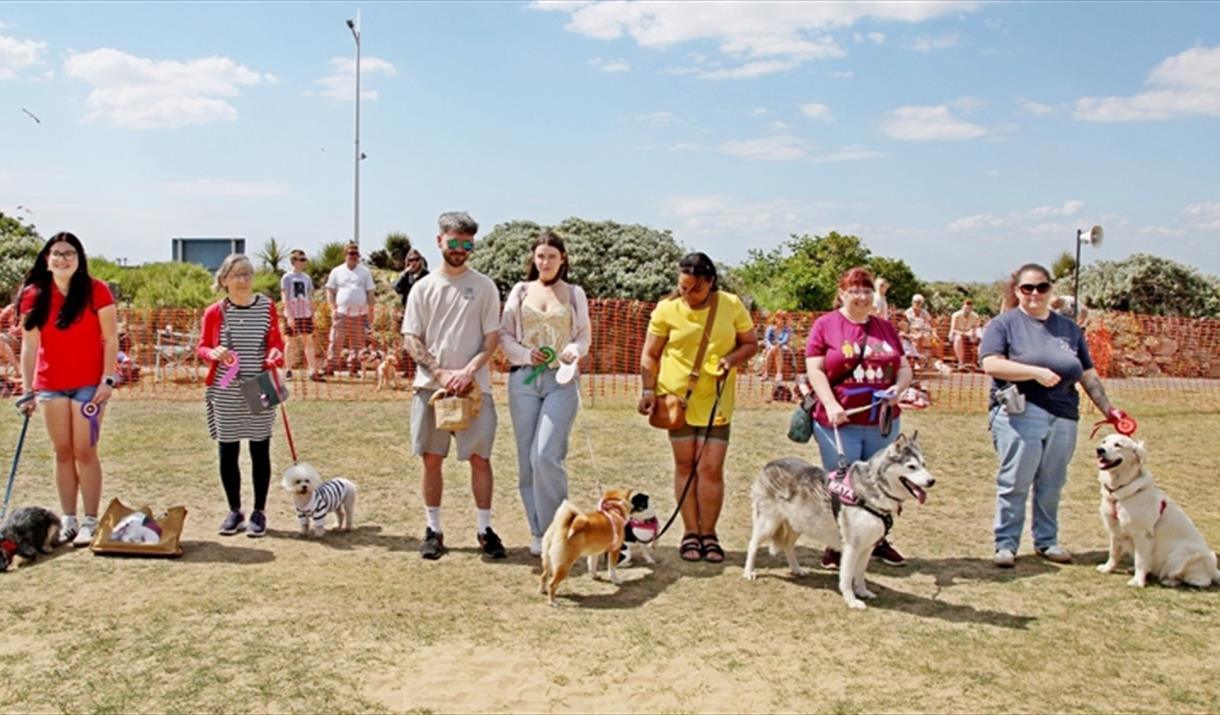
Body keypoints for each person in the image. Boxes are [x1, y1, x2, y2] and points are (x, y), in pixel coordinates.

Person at [981, 263, 1122, 568]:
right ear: (1017, 290)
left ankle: (1047, 540)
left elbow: (1087, 374)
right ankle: (1005, 545)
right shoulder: (1004, 325)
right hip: (1020, 412)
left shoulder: (1069, 328)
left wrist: (1109, 410)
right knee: (1015, 481)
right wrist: (1034, 372)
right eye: (1027, 288)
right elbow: (991, 364)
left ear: (1050, 289)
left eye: (1041, 287)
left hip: (1064, 415)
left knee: (1052, 482)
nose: (1035, 294)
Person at [638, 252, 757, 563]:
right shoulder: (666, 309)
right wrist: (648, 390)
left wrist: (731, 360)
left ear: (711, 282)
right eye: (682, 288)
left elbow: (750, 343)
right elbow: (650, 354)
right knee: (685, 466)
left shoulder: (730, 305)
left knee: (711, 469)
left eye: (695, 289)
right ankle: (690, 532)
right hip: (675, 400)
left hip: (716, 399)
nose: (687, 295)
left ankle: (710, 534)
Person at [402, 211, 506, 560]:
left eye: (467, 243)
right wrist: (441, 373)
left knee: (480, 458)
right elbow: (411, 338)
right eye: (454, 242)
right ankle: (433, 529)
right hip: (431, 389)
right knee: (432, 458)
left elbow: (492, 337)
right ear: (439, 241)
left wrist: (470, 370)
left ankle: (484, 529)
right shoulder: (423, 288)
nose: (460, 249)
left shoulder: (485, 286)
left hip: (475, 390)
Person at [15, 232, 118, 547]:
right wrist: (28, 389)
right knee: (62, 452)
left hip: (89, 385)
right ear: (47, 260)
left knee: (85, 451)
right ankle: (69, 520)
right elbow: (30, 346)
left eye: (69, 253)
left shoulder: (96, 290)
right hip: (51, 385)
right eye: (56, 253)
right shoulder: (34, 294)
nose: (62, 259)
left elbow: (111, 338)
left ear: (79, 258)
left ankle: (90, 519)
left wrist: (108, 379)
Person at [805, 266, 913, 568]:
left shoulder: (885, 328)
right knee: (844, 484)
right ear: (841, 294)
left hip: (881, 421)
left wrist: (899, 389)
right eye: (855, 290)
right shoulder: (825, 325)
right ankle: (837, 544)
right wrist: (830, 404)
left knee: (881, 483)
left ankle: (877, 539)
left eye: (867, 290)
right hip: (839, 421)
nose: (862, 296)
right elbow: (815, 369)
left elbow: (903, 368)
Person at [499, 232, 590, 556]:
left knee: (545, 454)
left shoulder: (575, 293)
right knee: (527, 459)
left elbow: (583, 338)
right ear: (533, 259)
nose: (545, 262)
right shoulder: (520, 291)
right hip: (524, 381)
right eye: (540, 256)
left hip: (561, 381)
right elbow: (505, 335)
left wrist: (570, 352)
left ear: (562, 259)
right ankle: (538, 531)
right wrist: (525, 355)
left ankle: (558, 529)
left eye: (552, 256)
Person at [196, 254, 285, 537]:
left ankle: (259, 511)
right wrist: (213, 353)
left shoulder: (267, 307)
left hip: (260, 385)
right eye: (236, 275)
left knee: (260, 448)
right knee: (228, 450)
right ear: (224, 280)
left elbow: (276, 343)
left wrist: (274, 354)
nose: (243, 280)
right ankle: (234, 510)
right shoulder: (214, 312)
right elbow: (202, 348)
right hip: (225, 389)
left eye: (247, 274)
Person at [324, 242, 376, 376]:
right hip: (341, 312)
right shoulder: (336, 271)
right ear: (345, 255)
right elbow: (330, 290)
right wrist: (332, 309)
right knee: (336, 340)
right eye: (351, 253)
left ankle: (354, 367)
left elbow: (370, 292)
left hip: (360, 313)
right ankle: (330, 366)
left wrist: (371, 311)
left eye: (356, 254)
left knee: (358, 343)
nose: (353, 256)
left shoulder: (365, 272)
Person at [281, 248, 324, 383]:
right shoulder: (287, 277)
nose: (304, 262)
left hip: (305, 313)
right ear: (294, 261)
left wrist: (312, 312)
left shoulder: (306, 278)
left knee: (309, 341)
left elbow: (309, 295)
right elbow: (284, 295)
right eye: (301, 259)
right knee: (290, 342)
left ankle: (313, 370)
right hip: (292, 312)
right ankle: (288, 369)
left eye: (305, 259)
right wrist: (289, 315)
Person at [761, 311, 793, 384]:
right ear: (775, 318)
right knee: (770, 350)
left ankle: (778, 373)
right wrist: (771, 346)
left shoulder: (787, 330)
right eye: (779, 318)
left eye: (783, 319)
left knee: (777, 350)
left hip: (782, 346)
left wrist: (778, 344)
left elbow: (785, 340)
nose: (781, 320)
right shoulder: (770, 328)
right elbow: (766, 339)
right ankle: (766, 373)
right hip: (771, 346)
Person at [949, 299, 982, 369]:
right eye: (966, 308)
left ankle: (980, 361)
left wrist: (974, 334)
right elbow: (953, 329)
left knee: (981, 339)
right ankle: (961, 362)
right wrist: (962, 333)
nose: (967, 310)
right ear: (962, 308)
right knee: (958, 338)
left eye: (969, 308)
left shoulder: (975, 316)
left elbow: (975, 327)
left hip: (968, 333)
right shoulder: (956, 315)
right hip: (956, 333)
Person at [904, 293, 937, 358]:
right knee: (918, 337)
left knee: (932, 339)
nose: (916, 303)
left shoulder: (924, 312)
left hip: (924, 331)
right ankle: (918, 358)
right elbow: (907, 326)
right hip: (911, 331)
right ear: (912, 302)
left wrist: (934, 333)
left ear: (922, 303)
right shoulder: (908, 312)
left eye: (919, 302)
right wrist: (917, 332)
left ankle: (924, 359)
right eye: (915, 302)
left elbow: (933, 324)